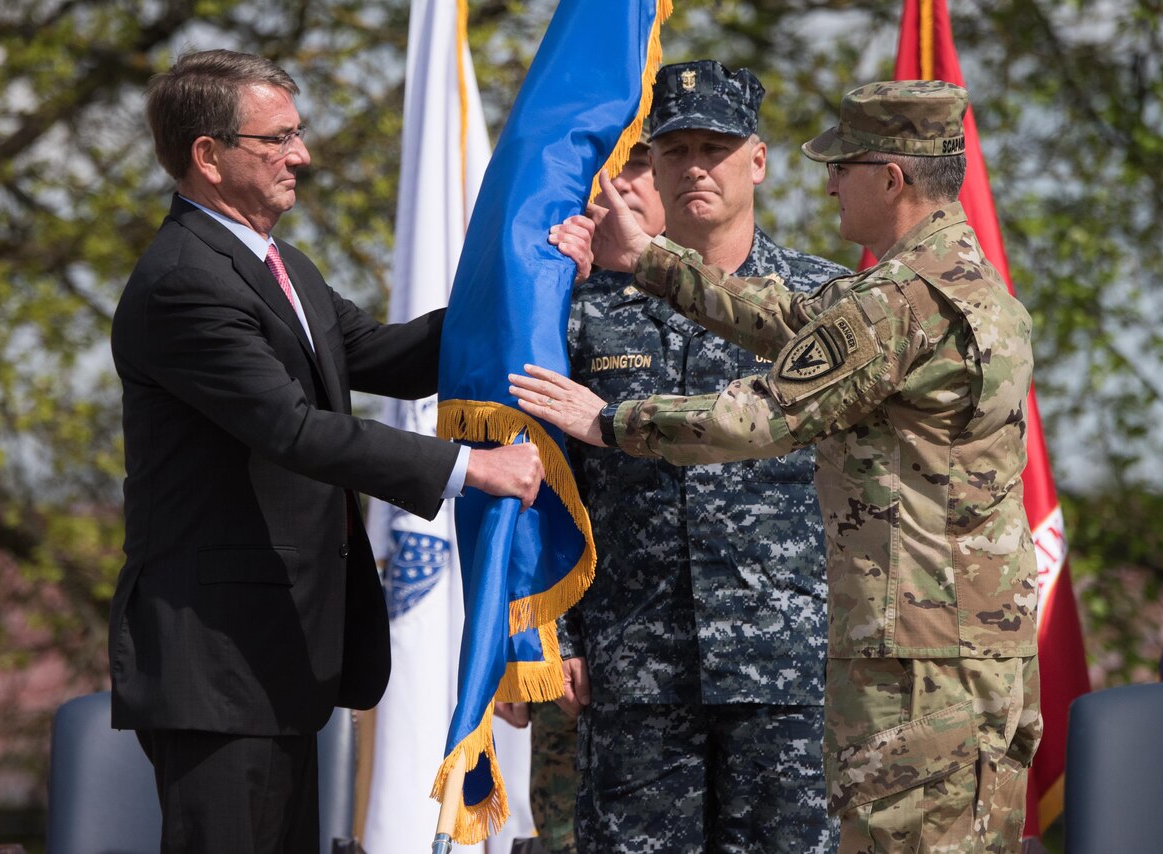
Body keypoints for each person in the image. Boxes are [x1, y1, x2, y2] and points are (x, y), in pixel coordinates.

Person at [514, 80, 1041, 853]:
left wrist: (609, 419)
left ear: (889, 178)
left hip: (921, 673)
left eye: (843, 166)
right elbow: (797, 322)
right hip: (934, 657)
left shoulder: (905, 301)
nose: (829, 182)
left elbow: (764, 414)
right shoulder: (941, 280)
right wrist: (655, 264)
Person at [109, 49, 542, 852]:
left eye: (297, 134)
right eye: (276, 139)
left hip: (279, 655)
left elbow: (387, 355)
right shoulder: (183, 283)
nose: (301, 155)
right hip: (217, 663)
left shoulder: (280, 266)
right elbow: (293, 428)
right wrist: (467, 468)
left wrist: (528, 284)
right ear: (208, 156)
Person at [559, 61, 847, 854]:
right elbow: (557, 480)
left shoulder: (823, 305)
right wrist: (558, 633)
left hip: (786, 659)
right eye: (674, 149)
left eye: (714, 148)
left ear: (756, 160)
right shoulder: (587, 312)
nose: (694, 167)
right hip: (636, 661)